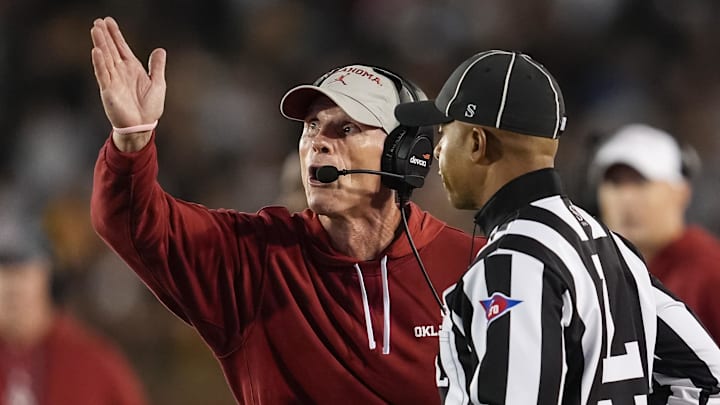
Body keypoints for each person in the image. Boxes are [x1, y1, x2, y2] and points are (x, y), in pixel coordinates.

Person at [88, 16, 483, 404]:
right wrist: (132, 142)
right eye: (312, 125)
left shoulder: (475, 266)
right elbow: (132, 222)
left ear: (404, 155)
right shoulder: (253, 259)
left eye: (347, 129)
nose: (318, 143)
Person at [395, 50, 720, 404]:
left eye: (446, 130)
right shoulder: (615, 249)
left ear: (476, 143)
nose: (439, 148)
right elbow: (707, 378)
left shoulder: (514, 261)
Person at [0, 203, 148, 405]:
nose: (11, 285)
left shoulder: (91, 361)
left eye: (22, 270)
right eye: (3, 271)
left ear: (48, 275)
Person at [590, 123, 720, 344]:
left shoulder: (710, 273)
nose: (626, 198)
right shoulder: (599, 273)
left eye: (640, 182)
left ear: (681, 192)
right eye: (615, 182)